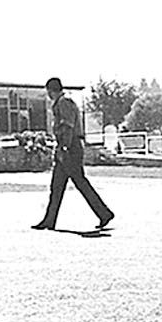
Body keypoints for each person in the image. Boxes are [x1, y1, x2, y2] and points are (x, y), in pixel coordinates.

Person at [32, 77, 114, 231]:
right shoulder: (62, 102)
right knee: (57, 186)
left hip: (70, 147)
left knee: (79, 182)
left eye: (49, 91)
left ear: (51, 90)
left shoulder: (64, 102)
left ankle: (104, 213)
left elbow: (68, 126)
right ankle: (49, 220)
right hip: (66, 146)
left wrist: (64, 147)